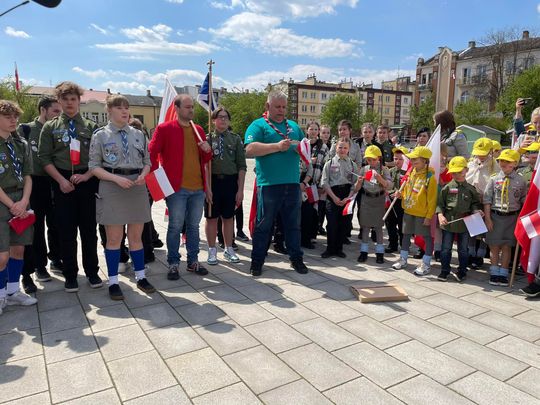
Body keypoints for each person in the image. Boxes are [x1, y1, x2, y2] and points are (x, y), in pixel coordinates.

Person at [89, 95, 155, 300]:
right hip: (112, 185)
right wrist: (116, 179)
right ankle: (113, 282)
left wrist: (144, 174)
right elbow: (94, 167)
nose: (125, 111)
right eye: (119, 108)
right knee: (114, 238)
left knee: (136, 237)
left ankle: (141, 276)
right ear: (109, 110)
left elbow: (147, 161)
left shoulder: (138, 134)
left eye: (126, 107)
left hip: (136, 186)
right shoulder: (100, 135)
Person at [38, 81, 102, 292]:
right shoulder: (50, 127)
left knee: (89, 230)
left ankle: (92, 272)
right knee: (66, 231)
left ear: (79, 100)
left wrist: (87, 176)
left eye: (73, 99)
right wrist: (61, 181)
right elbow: (44, 158)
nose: (69, 103)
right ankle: (70, 275)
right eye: (64, 99)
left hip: (87, 179)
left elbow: (98, 158)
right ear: (59, 101)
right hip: (62, 181)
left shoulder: (91, 127)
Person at [245, 90, 309, 276]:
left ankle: (296, 259)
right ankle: (257, 261)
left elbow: (305, 146)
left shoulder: (293, 126)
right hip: (269, 185)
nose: (281, 110)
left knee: (293, 226)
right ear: (267, 106)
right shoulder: (258, 125)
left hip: (292, 184)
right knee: (263, 226)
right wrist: (277, 146)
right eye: (277, 107)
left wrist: (300, 148)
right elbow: (249, 149)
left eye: (284, 107)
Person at [149, 94, 212, 280]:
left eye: (192, 107)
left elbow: (206, 159)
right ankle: (173, 263)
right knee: (175, 227)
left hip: (198, 188)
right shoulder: (164, 129)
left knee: (193, 227)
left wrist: (208, 150)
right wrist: (157, 180)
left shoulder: (198, 130)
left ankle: (193, 261)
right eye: (187, 107)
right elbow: (151, 153)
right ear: (176, 109)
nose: (191, 110)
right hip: (176, 189)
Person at [17, 96, 63, 294]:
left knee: (56, 223)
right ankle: (39, 265)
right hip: (33, 183)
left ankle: (56, 259)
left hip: (55, 181)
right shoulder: (26, 130)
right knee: (35, 227)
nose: (58, 115)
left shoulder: (58, 130)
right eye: (55, 111)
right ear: (43, 110)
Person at [0, 100, 37, 313]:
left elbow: (28, 175)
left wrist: (23, 202)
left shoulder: (20, 144)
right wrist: (12, 204)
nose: (13, 120)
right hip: (3, 201)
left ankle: (13, 292)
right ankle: (1, 294)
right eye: (8, 117)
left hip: (21, 199)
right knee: (1, 256)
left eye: (15, 116)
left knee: (18, 249)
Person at [205, 106, 246, 265]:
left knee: (229, 218)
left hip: (230, 183)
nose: (223, 119)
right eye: (219, 117)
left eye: (226, 117)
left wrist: (240, 190)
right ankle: (211, 251)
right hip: (213, 182)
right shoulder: (208, 139)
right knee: (211, 218)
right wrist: (207, 188)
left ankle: (229, 249)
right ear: (213, 120)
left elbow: (242, 166)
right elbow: (204, 166)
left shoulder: (235, 139)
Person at [483, 149, 527, 286]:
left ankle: (503, 273)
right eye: (501, 160)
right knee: (494, 246)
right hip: (495, 216)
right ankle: (494, 272)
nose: (504, 163)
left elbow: (523, 200)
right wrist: (488, 219)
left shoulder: (521, 180)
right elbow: (487, 200)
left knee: (507, 246)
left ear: (515, 163)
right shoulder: (494, 179)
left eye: (507, 161)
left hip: (512, 218)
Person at [391, 146, 437, 275]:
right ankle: (403, 259)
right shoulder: (411, 172)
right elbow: (407, 190)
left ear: (425, 161)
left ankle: (426, 263)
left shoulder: (430, 178)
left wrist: (429, 216)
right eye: (412, 159)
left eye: (416, 159)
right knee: (406, 234)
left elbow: (432, 199)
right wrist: (401, 195)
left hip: (422, 213)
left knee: (427, 237)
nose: (412, 161)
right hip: (408, 211)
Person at [436, 156, 482, 282]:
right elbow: (440, 204)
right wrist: (440, 215)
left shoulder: (471, 189)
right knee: (446, 248)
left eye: (459, 172)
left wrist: (476, 210)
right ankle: (444, 270)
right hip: (449, 222)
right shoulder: (447, 188)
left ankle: (462, 271)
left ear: (466, 170)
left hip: (464, 223)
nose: (456, 175)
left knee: (463, 249)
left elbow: (475, 203)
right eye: (454, 173)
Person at [320, 137, 359, 258]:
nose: (342, 150)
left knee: (344, 224)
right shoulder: (329, 163)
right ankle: (330, 248)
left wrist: (348, 197)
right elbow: (324, 182)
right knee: (331, 223)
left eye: (345, 148)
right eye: (340, 147)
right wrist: (334, 197)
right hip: (332, 194)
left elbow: (354, 184)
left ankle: (339, 249)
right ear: (336, 148)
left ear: (349, 149)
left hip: (346, 195)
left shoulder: (352, 164)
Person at [466, 138, 497, 270]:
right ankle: (471, 252)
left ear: (490, 151)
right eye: (479, 153)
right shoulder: (471, 164)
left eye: (484, 153)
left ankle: (480, 254)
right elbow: (467, 179)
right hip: (473, 200)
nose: (481, 155)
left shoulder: (494, 165)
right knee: (473, 228)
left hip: (487, 201)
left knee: (485, 229)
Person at [357, 145, 390, 263]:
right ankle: (364, 251)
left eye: (373, 159)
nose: (371, 162)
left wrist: (380, 179)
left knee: (378, 227)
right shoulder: (364, 169)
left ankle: (380, 252)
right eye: (368, 159)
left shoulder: (384, 169)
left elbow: (389, 185)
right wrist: (358, 182)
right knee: (365, 226)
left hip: (379, 199)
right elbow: (356, 188)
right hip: (366, 199)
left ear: (379, 158)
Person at [300, 122, 328, 248]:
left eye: (316, 129)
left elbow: (326, 167)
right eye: (311, 129)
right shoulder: (302, 144)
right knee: (301, 212)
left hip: (314, 185)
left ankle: (310, 237)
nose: (313, 131)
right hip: (301, 183)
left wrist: (322, 184)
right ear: (307, 130)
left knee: (313, 212)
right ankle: (300, 237)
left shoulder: (323, 147)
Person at [384, 146, 408, 253]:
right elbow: (387, 185)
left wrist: (401, 194)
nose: (397, 161)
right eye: (395, 158)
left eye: (400, 159)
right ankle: (392, 243)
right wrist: (390, 192)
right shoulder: (390, 171)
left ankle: (404, 244)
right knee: (390, 223)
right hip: (391, 201)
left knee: (403, 224)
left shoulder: (409, 173)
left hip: (403, 202)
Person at [317, 124, 332, 234]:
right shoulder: (317, 146)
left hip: (327, 180)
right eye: (323, 132)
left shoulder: (332, 146)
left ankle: (320, 225)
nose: (326, 135)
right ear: (319, 133)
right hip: (317, 179)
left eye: (328, 133)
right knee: (316, 205)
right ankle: (316, 226)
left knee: (323, 205)